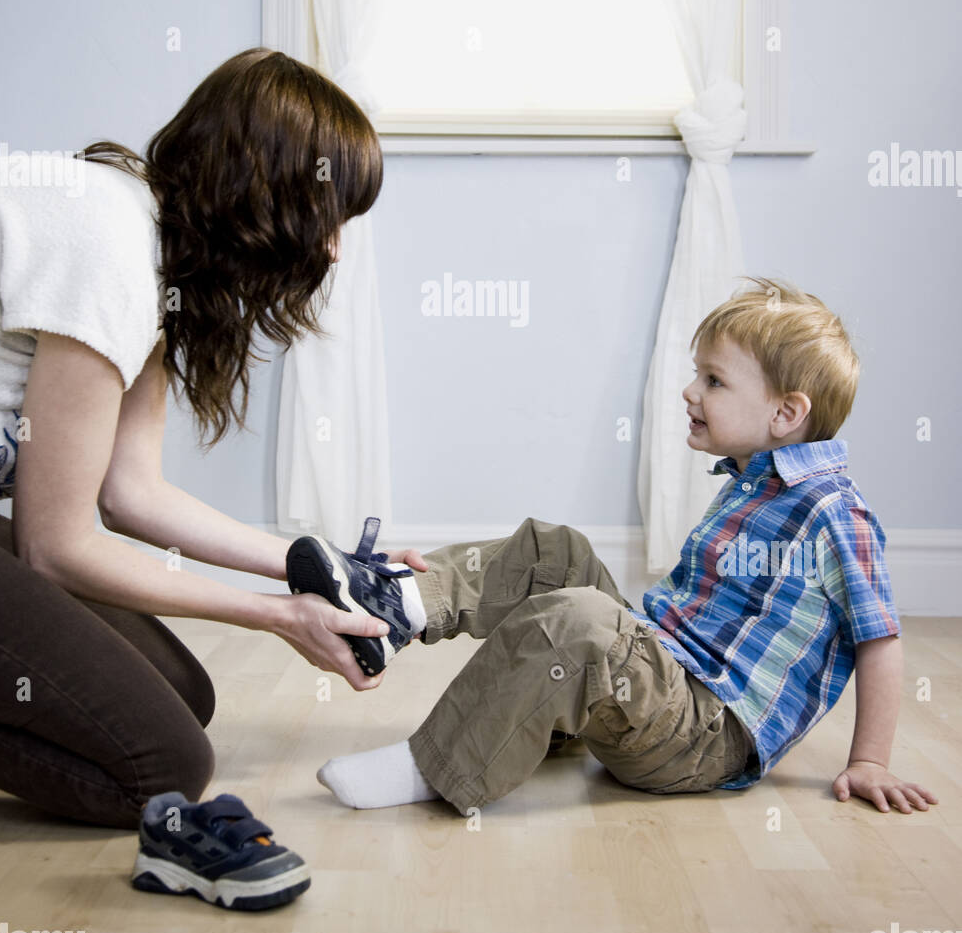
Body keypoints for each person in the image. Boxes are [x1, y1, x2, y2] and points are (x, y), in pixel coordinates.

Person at [309, 279, 938, 817]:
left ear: (785, 413)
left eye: (713, 380)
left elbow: (878, 637)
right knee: (556, 552)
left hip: (703, 736)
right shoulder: (750, 483)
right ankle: (401, 604)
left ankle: (437, 766)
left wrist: (870, 761)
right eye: (697, 374)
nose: (690, 392)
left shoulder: (835, 513)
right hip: (664, 687)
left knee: (583, 623)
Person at [0, 48, 417, 832]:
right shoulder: (107, 249)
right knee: (159, 767)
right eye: (331, 218)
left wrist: (312, 563)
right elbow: (54, 546)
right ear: (266, 191)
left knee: (185, 694)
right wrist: (280, 617)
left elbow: (129, 494)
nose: (332, 249)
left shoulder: (149, 253)